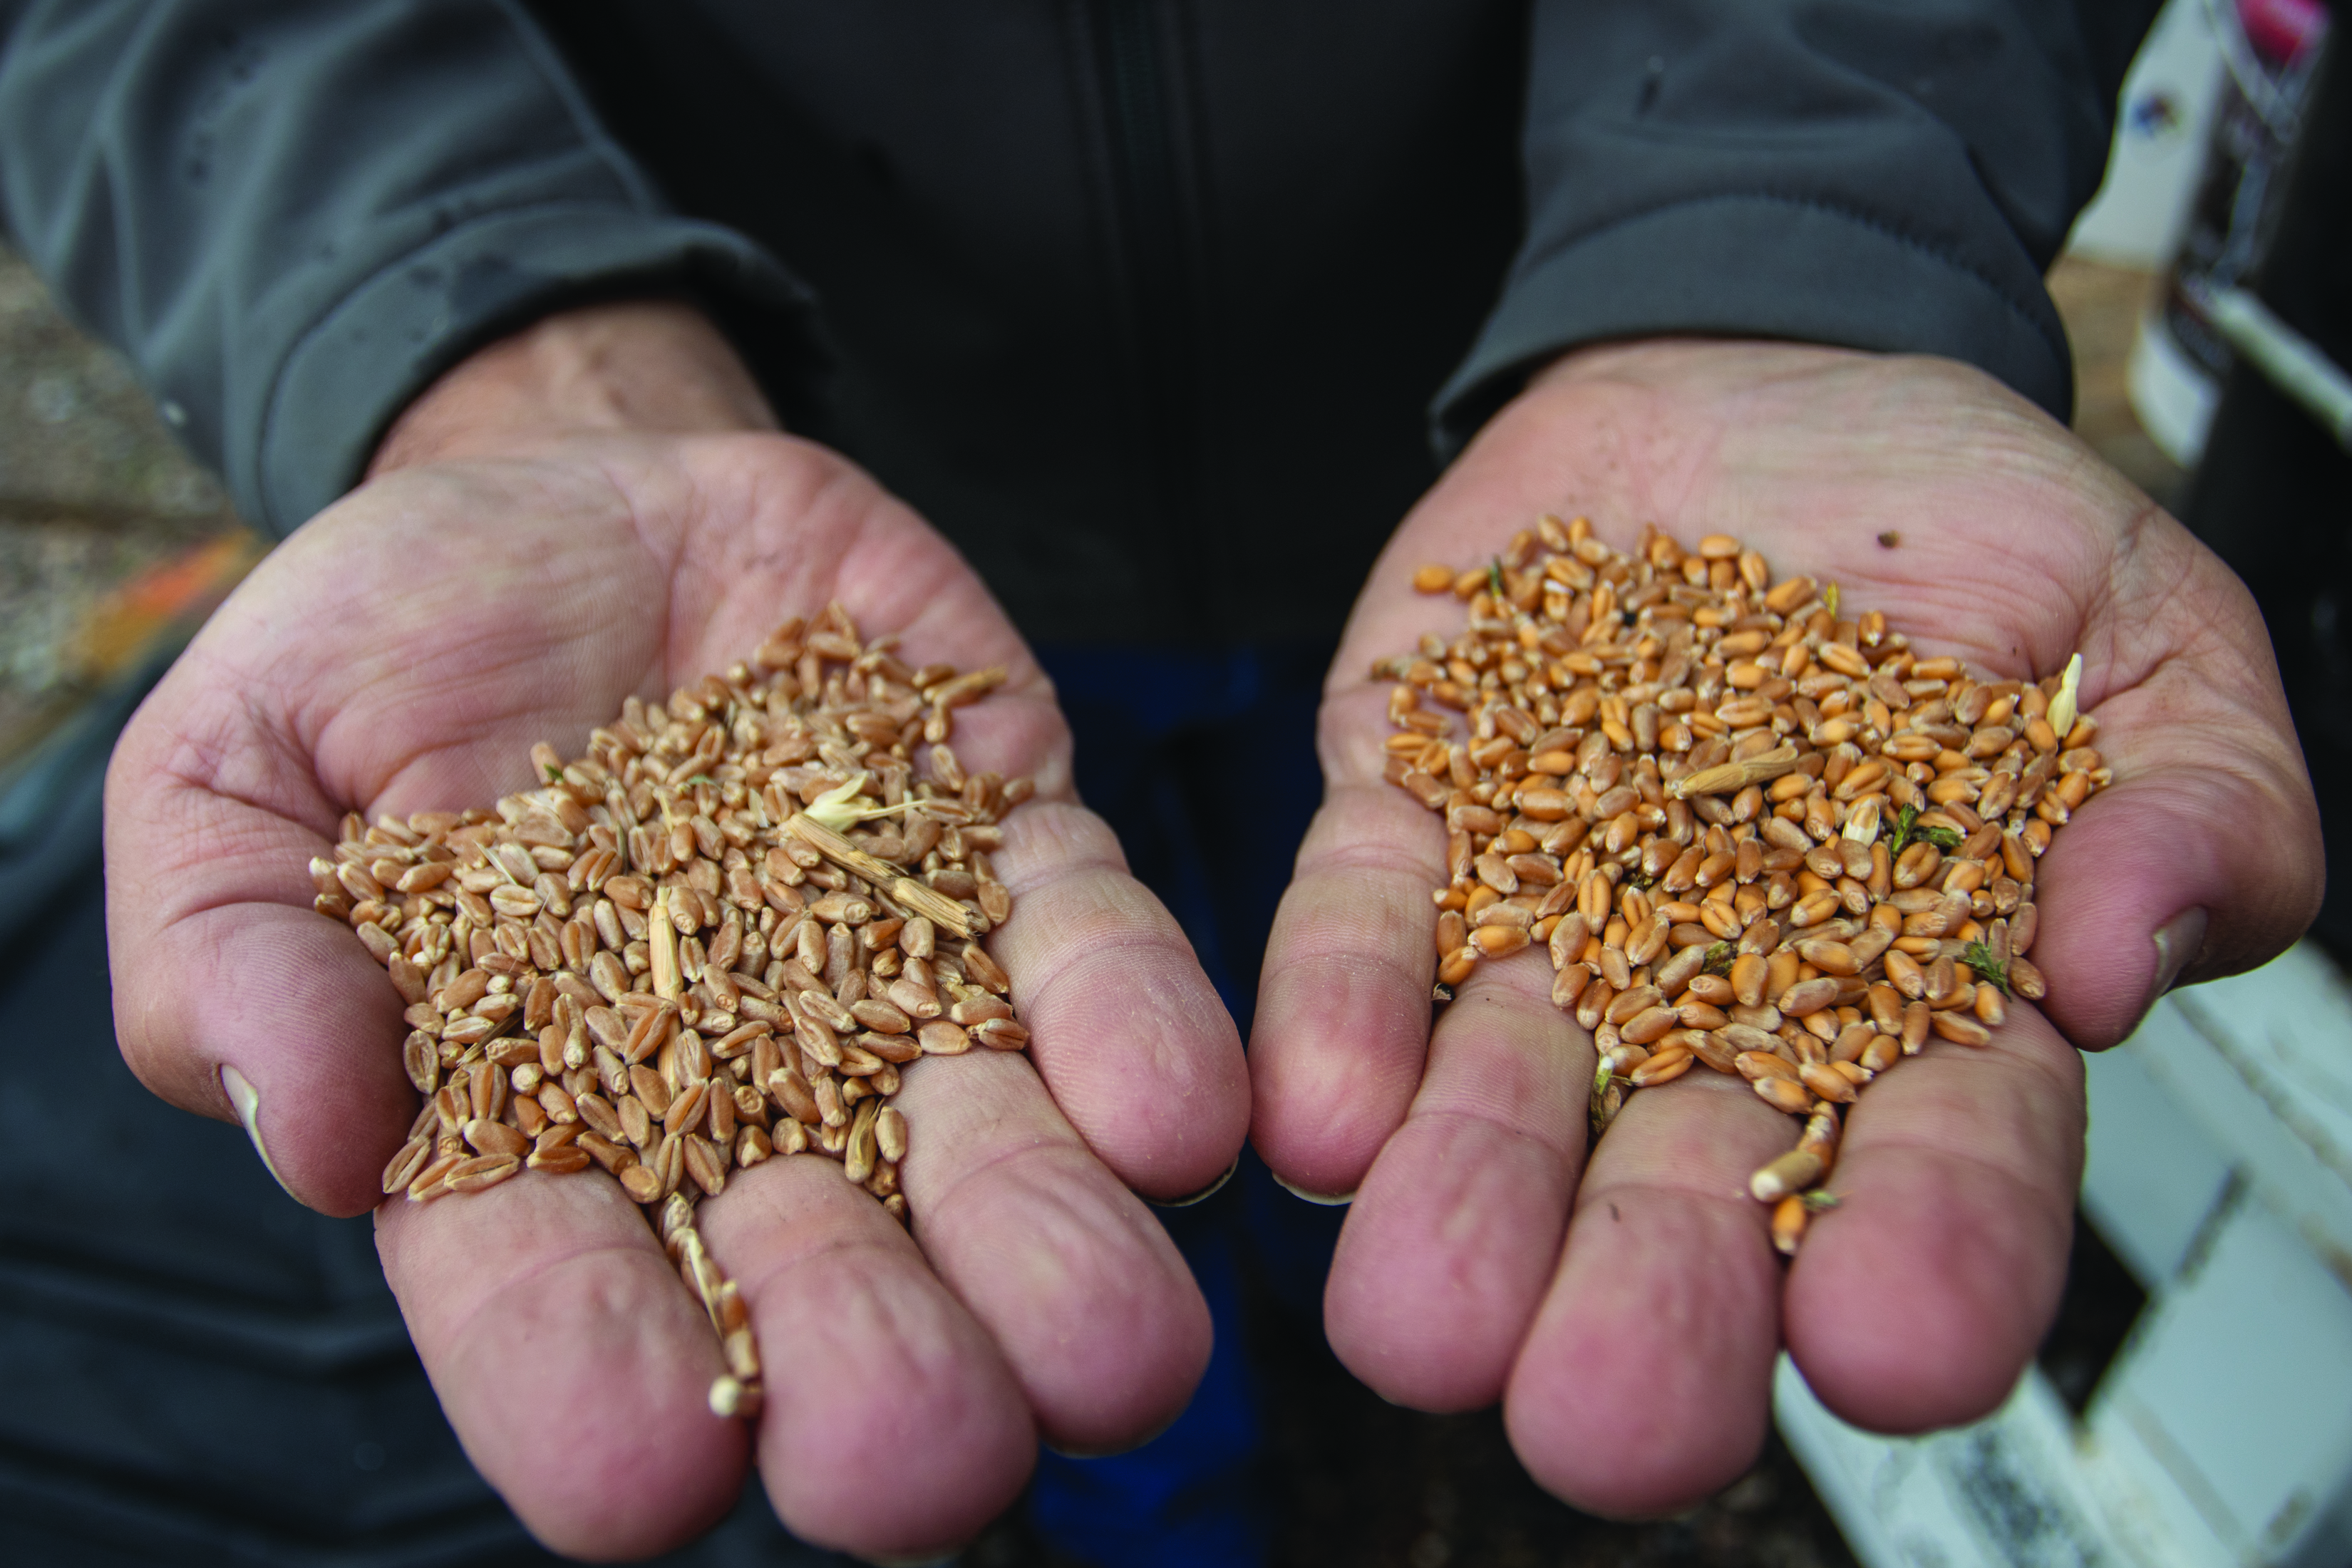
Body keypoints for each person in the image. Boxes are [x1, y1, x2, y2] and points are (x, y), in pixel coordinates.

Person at [0, 1, 2321, 1562]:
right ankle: (1169, 1483)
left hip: (1496, 415)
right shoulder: (801, 730)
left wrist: (1796, 232)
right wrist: (467, 331)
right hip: (812, 473)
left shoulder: (1565, 671)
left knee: (1342, 1051)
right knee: (1040, 1148)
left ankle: (1320, 1371)